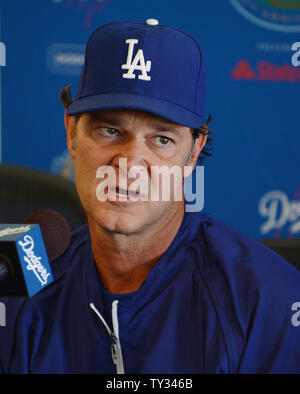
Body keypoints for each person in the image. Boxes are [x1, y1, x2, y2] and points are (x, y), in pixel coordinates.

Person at [5, 19, 300, 374]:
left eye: (161, 139)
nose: (129, 163)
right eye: (110, 130)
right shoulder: (22, 282)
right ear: (71, 132)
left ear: (193, 153)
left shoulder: (264, 299)